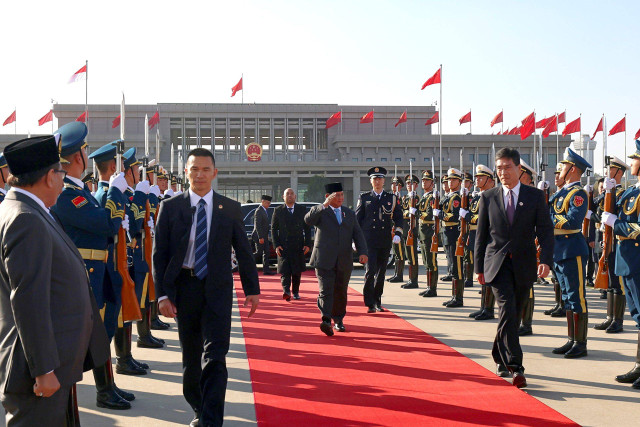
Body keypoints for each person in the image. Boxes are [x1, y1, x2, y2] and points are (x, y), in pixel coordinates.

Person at [0, 135, 109, 425]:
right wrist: (44, 369)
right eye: (60, 173)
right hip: (37, 368)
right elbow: (28, 299)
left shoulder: (28, 210)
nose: (63, 181)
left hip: (53, 359)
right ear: (50, 176)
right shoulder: (26, 218)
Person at [153, 148, 260, 427]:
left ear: (214, 173)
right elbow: (159, 254)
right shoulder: (171, 207)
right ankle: (199, 407)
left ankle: (211, 421)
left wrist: (252, 289)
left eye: (205, 169)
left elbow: (244, 251)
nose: (199, 175)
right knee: (191, 360)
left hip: (218, 289)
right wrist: (162, 294)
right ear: (186, 172)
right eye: (194, 169)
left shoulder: (230, 208)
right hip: (185, 289)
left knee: (215, 356)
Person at [51, 124, 135, 410]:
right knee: (90, 340)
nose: (86, 156)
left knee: (102, 335)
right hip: (86, 275)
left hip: (98, 272)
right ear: (78, 158)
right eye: (84, 151)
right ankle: (101, 391)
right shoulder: (67, 195)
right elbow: (106, 223)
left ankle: (107, 387)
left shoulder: (79, 191)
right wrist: (114, 192)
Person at [475, 147, 554, 388]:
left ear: (519, 169)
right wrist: (478, 268)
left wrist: (546, 260)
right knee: (508, 309)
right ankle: (516, 366)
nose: (502, 173)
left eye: (507, 167)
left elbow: (545, 230)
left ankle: (499, 356)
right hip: (496, 263)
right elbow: (481, 236)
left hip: (523, 263)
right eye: (499, 168)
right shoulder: (488, 197)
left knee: (513, 313)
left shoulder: (533, 197)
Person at [305, 182, 368, 334]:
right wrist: (324, 205)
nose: (340, 198)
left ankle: (338, 320)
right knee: (326, 290)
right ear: (328, 197)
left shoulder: (349, 213)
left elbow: (357, 234)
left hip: (344, 260)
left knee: (340, 291)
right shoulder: (320, 211)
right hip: (324, 259)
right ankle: (326, 320)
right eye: (337, 195)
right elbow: (308, 220)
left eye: (341, 195)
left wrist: (362, 252)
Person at [550, 148, 591, 359]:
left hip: (572, 248)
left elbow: (573, 221)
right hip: (559, 249)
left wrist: (548, 220)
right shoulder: (562, 193)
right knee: (567, 297)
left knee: (577, 297)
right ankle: (571, 339)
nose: (560, 169)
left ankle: (580, 343)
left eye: (564, 166)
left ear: (572, 169)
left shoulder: (578, 194)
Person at [610, 140, 640, 389]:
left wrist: (615, 224)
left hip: (638, 260)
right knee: (638, 316)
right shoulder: (631, 192)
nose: (631, 163)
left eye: (634, 158)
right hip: (626, 259)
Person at [356, 167, 404, 312]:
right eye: (374, 179)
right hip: (369, 240)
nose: (377, 181)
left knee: (381, 273)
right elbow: (357, 220)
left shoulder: (392, 198)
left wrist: (398, 233)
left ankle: (377, 300)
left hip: (384, 240)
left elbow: (399, 218)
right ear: (371, 181)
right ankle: (369, 302)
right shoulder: (364, 198)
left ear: (384, 181)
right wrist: (356, 240)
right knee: (370, 272)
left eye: (380, 179)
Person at [592, 156, 628, 333]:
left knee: (618, 282)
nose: (607, 173)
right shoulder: (607, 193)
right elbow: (598, 213)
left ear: (619, 173)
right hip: (607, 240)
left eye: (611, 170)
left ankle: (618, 320)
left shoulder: (622, 194)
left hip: (618, 242)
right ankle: (610, 317)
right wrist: (602, 195)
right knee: (611, 282)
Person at [466, 165, 496, 320]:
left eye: (481, 177)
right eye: (476, 177)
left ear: (490, 180)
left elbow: (487, 218)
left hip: (488, 238)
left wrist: (469, 217)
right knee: (481, 273)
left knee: (488, 273)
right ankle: (483, 306)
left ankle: (489, 308)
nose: (477, 179)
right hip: (476, 235)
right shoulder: (478, 197)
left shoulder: (492, 196)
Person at [271, 188, 311, 300]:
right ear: (283, 197)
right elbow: (273, 229)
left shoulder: (302, 210)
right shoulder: (278, 210)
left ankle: (296, 292)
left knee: (297, 271)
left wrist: (308, 244)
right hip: (284, 246)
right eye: (287, 194)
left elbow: (307, 229)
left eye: (292, 194)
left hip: (298, 246)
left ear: (295, 197)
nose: (289, 196)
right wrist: (276, 245)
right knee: (285, 271)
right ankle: (286, 291)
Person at [435, 168, 464, 307]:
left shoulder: (457, 198)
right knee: (452, 265)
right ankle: (454, 296)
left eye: (453, 180)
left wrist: (440, 214)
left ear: (459, 181)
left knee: (456, 266)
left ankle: (458, 298)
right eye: (449, 180)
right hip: (447, 232)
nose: (450, 182)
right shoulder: (448, 196)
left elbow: (454, 216)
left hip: (453, 232)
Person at [543, 163, 567, 317]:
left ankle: (564, 305)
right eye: (556, 174)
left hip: (564, 240)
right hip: (554, 240)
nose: (556, 177)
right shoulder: (555, 196)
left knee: (564, 278)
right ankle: (558, 303)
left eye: (560, 173)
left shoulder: (568, 195)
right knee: (556, 276)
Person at [517, 159, 537, 337]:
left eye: (520, 174)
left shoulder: (534, 196)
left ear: (527, 177)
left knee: (527, 287)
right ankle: (519, 320)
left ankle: (527, 323)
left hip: (528, 246)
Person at [417, 170, 438, 297]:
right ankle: (429, 286)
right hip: (423, 232)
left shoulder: (432, 197)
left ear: (432, 182)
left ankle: (433, 288)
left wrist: (417, 212)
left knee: (431, 261)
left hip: (429, 232)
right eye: (423, 180)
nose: (424, 182)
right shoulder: (424, 196)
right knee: (426, 261)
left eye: (427, 180)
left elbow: (428, 214)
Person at [400, 174, 420, 290]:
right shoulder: (406, 198)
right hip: (405, 228)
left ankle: (414, 280)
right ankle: (410, 279)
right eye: (407, 183)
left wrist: (407, 213)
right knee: (408, 254)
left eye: (411, 183)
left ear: (416, 185)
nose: (409, 185)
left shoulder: (415, 198)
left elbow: (415, 212)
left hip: (411, 228)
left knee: (412, 254)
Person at [387, 176, 406, 282]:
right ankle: (396, 273)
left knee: (400, 252)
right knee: (395, 251)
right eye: (393, 184)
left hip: (399, 228)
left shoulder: (401, 198)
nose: (394, 186)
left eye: (397, 184)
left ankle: (399, 275)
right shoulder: (390, 197)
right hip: (392, 228)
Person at [253, 195, 275, 275]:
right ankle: (245, 261)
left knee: (266, 253)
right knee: (259, 253)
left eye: (269, 203)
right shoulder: (259, 210)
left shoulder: (264, 210)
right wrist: (260, 237)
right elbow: (257, 225)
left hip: (264, 236)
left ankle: (266, 270)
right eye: (267, 203)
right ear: (262, 201)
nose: (269, 205)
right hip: (260, 236)